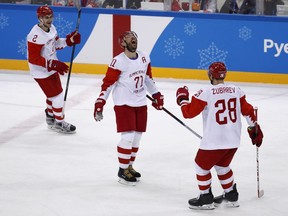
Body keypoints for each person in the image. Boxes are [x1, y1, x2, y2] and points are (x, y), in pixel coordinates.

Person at [175, 62, 263, 210]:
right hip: (233, 140)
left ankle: (205, 198)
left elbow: (188, 113)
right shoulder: (236, 90)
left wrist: (182, 99)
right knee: (222, 165)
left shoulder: (205, 92)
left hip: (214, 141)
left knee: (201, 166)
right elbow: (248, 112)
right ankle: (230, 195)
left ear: (210, 75)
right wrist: (254, 129)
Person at [93, 31, 164, 186]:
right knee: (128, 137)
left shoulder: (144, 57)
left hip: (140, 103)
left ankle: (129, 166)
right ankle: (122, 169)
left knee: (137, 137)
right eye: (129, 38)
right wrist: (100, 102)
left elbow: (148, 78)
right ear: (123, 43)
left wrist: (156, 94)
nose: (134, 39)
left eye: (135, 37)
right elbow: (108, 84)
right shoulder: (118, 61)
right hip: (124, 103)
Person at [27, 5, 81, 134]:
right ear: (40, 18)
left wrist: (69, 40)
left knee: (53, 95)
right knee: (57, 96)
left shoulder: (52, 28)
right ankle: (59, 123)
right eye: (46, 17)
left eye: (51, 16)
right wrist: (53, 64)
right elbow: (33, 58)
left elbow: (55, 44)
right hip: (40, 71)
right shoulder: (35, 35)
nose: (49, 19)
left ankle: (50, 118)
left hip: (51, 67)